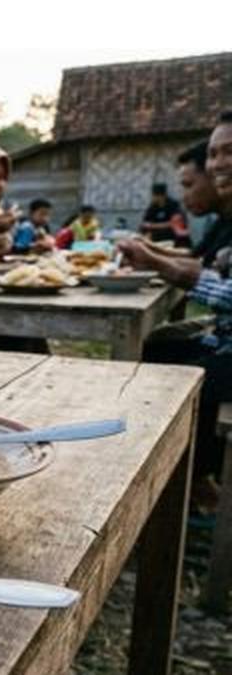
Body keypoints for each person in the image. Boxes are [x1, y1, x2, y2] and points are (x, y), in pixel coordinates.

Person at [116, 111, 232, 513]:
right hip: (224, 332)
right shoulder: (225, 220)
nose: (218, 162)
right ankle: (167, 473)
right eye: (215, 153)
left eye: (228, 152)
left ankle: (191, 479)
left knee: (191, 381)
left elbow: (217, 283)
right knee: (153, 352)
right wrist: (151, 255)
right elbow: (206, 266)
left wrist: (153, 260)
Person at [140, 182, 189, 248]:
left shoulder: (173, 205)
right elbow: (145, 222)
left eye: (154, 195)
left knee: (156, 234)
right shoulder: (153, 206)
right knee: (143, 231)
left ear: (161, 196)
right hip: (158, 231)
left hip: (172, 232)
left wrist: (153, 226)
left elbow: (175, 224)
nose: (153, 198)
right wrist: (149, 226)